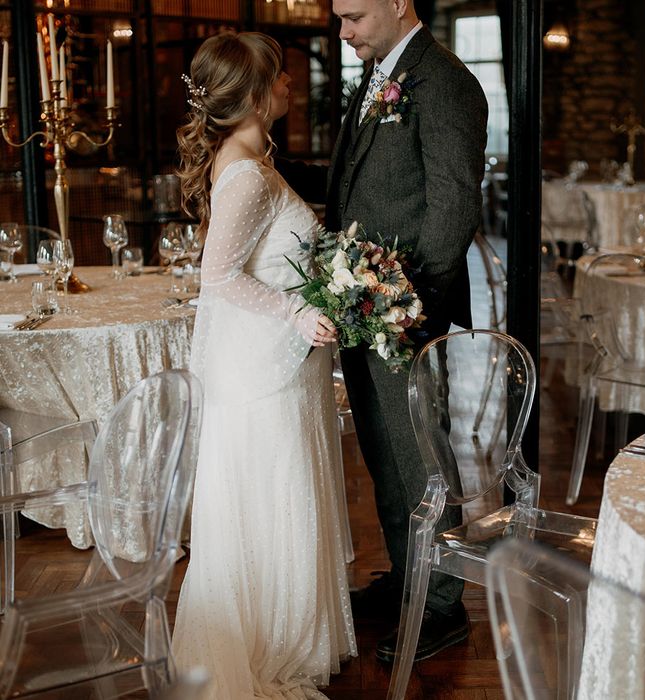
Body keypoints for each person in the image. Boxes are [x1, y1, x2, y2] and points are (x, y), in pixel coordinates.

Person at [280, 0, 488, 664]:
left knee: (421, 454)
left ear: (400, 3)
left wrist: (404, 307)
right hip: (365, 306)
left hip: (405, 312)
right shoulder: (382, 71)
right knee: (383, 451)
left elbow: (453, 206)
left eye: (354, 16)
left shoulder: (447, 81)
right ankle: (410, 577)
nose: (343, 32)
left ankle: (443, 605)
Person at [171, 32, 357, 699]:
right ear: (252, 95)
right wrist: (295, 314)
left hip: (277, 365)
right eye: (278, 79)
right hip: (263, 371)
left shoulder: (254, 154)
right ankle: (268, 641)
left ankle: (288, 630)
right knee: (273, 499)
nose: (289, 87)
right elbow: (217, 277)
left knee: (284, 497)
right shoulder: (246, 172)